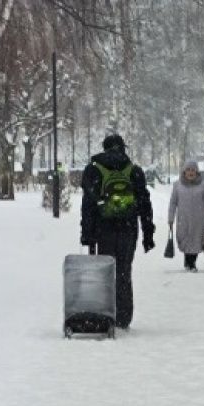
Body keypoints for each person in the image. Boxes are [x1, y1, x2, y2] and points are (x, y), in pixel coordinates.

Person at [79, 134, 156, 329]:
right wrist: (148, 234)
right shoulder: (134, 170)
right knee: (123, 271)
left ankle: (104, 315)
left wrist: (87, 234)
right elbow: (144, 204)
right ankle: (123, 317)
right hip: (128, 228)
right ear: (123, 148)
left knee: (105, 271)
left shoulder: (93, 169)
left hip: (103, 228)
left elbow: (88, 204)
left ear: (104, 148)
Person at [169, 161, 204, 272]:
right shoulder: (177, 185)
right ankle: (187, 261)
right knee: (184, 239)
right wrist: (171, 217)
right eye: (188, 170)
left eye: (193, 170)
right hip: (183, 219)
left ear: (197, 172)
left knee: (196, 241)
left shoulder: (202, 185)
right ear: (184, 172)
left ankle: (192, 263)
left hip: (198, 220)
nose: (190, 172)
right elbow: (173, 203)